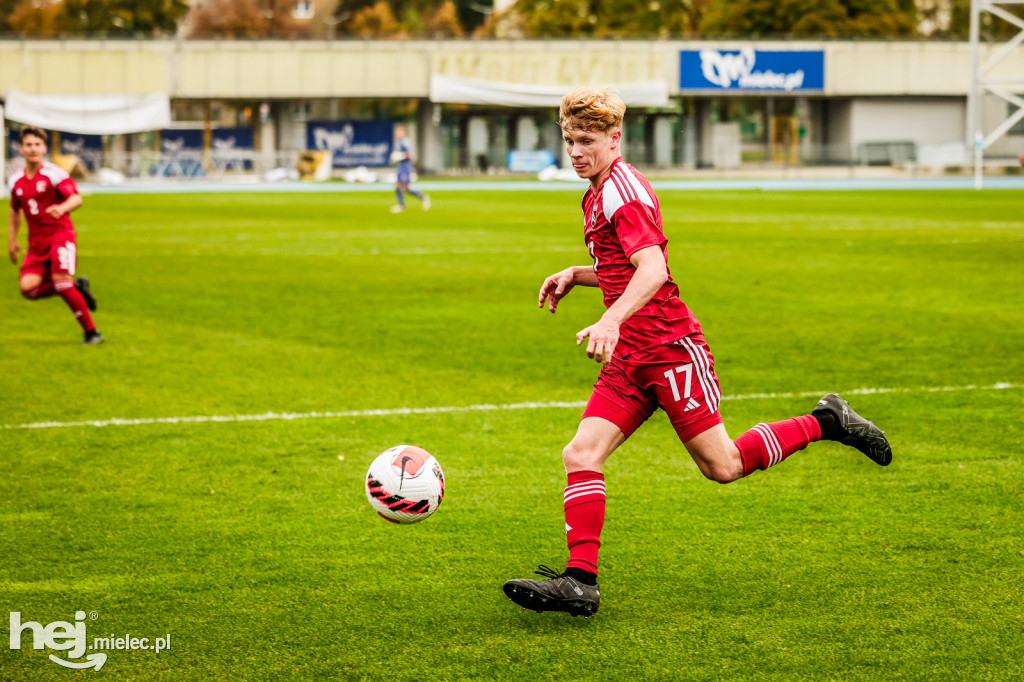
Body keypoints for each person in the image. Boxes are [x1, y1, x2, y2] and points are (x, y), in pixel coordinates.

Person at [502, 88, 891, 618]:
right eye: (569, 140)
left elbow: (654, 271)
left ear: (616, 138)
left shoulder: (623, 190)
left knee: (723, 466)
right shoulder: (596, 191)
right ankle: (580, 582)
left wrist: (611, 318)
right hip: (632, 358)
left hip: (669, 350)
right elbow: (623, 267)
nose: (575, 151)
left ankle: (827, 420)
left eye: (586, 141)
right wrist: (577, 274)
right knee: (581, 455)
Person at [8, 125, 102, 345]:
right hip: (36, 243)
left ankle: (92, 333)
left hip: (60, 235)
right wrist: (12, 240)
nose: (33, 149)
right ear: (21, 149)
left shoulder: (54, 173)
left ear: (44, 148)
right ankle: (75, 287)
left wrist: (63, 208)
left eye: (37, 145)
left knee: (61, 281)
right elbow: (15, 210)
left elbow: (77, 198)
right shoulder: (15, 180)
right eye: (29, 145)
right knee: (28, 289)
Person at [390, 125, 430, 214]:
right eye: (396, 132)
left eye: (399, 132)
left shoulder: (405, 142)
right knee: (403, 187)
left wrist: (400, 156)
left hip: (405, 168)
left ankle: (403, 205)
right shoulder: (398, 142)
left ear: (403, 133)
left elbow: (410, 154)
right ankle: (421, 198)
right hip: (400, 168)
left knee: (400, 186)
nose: (397, 133)